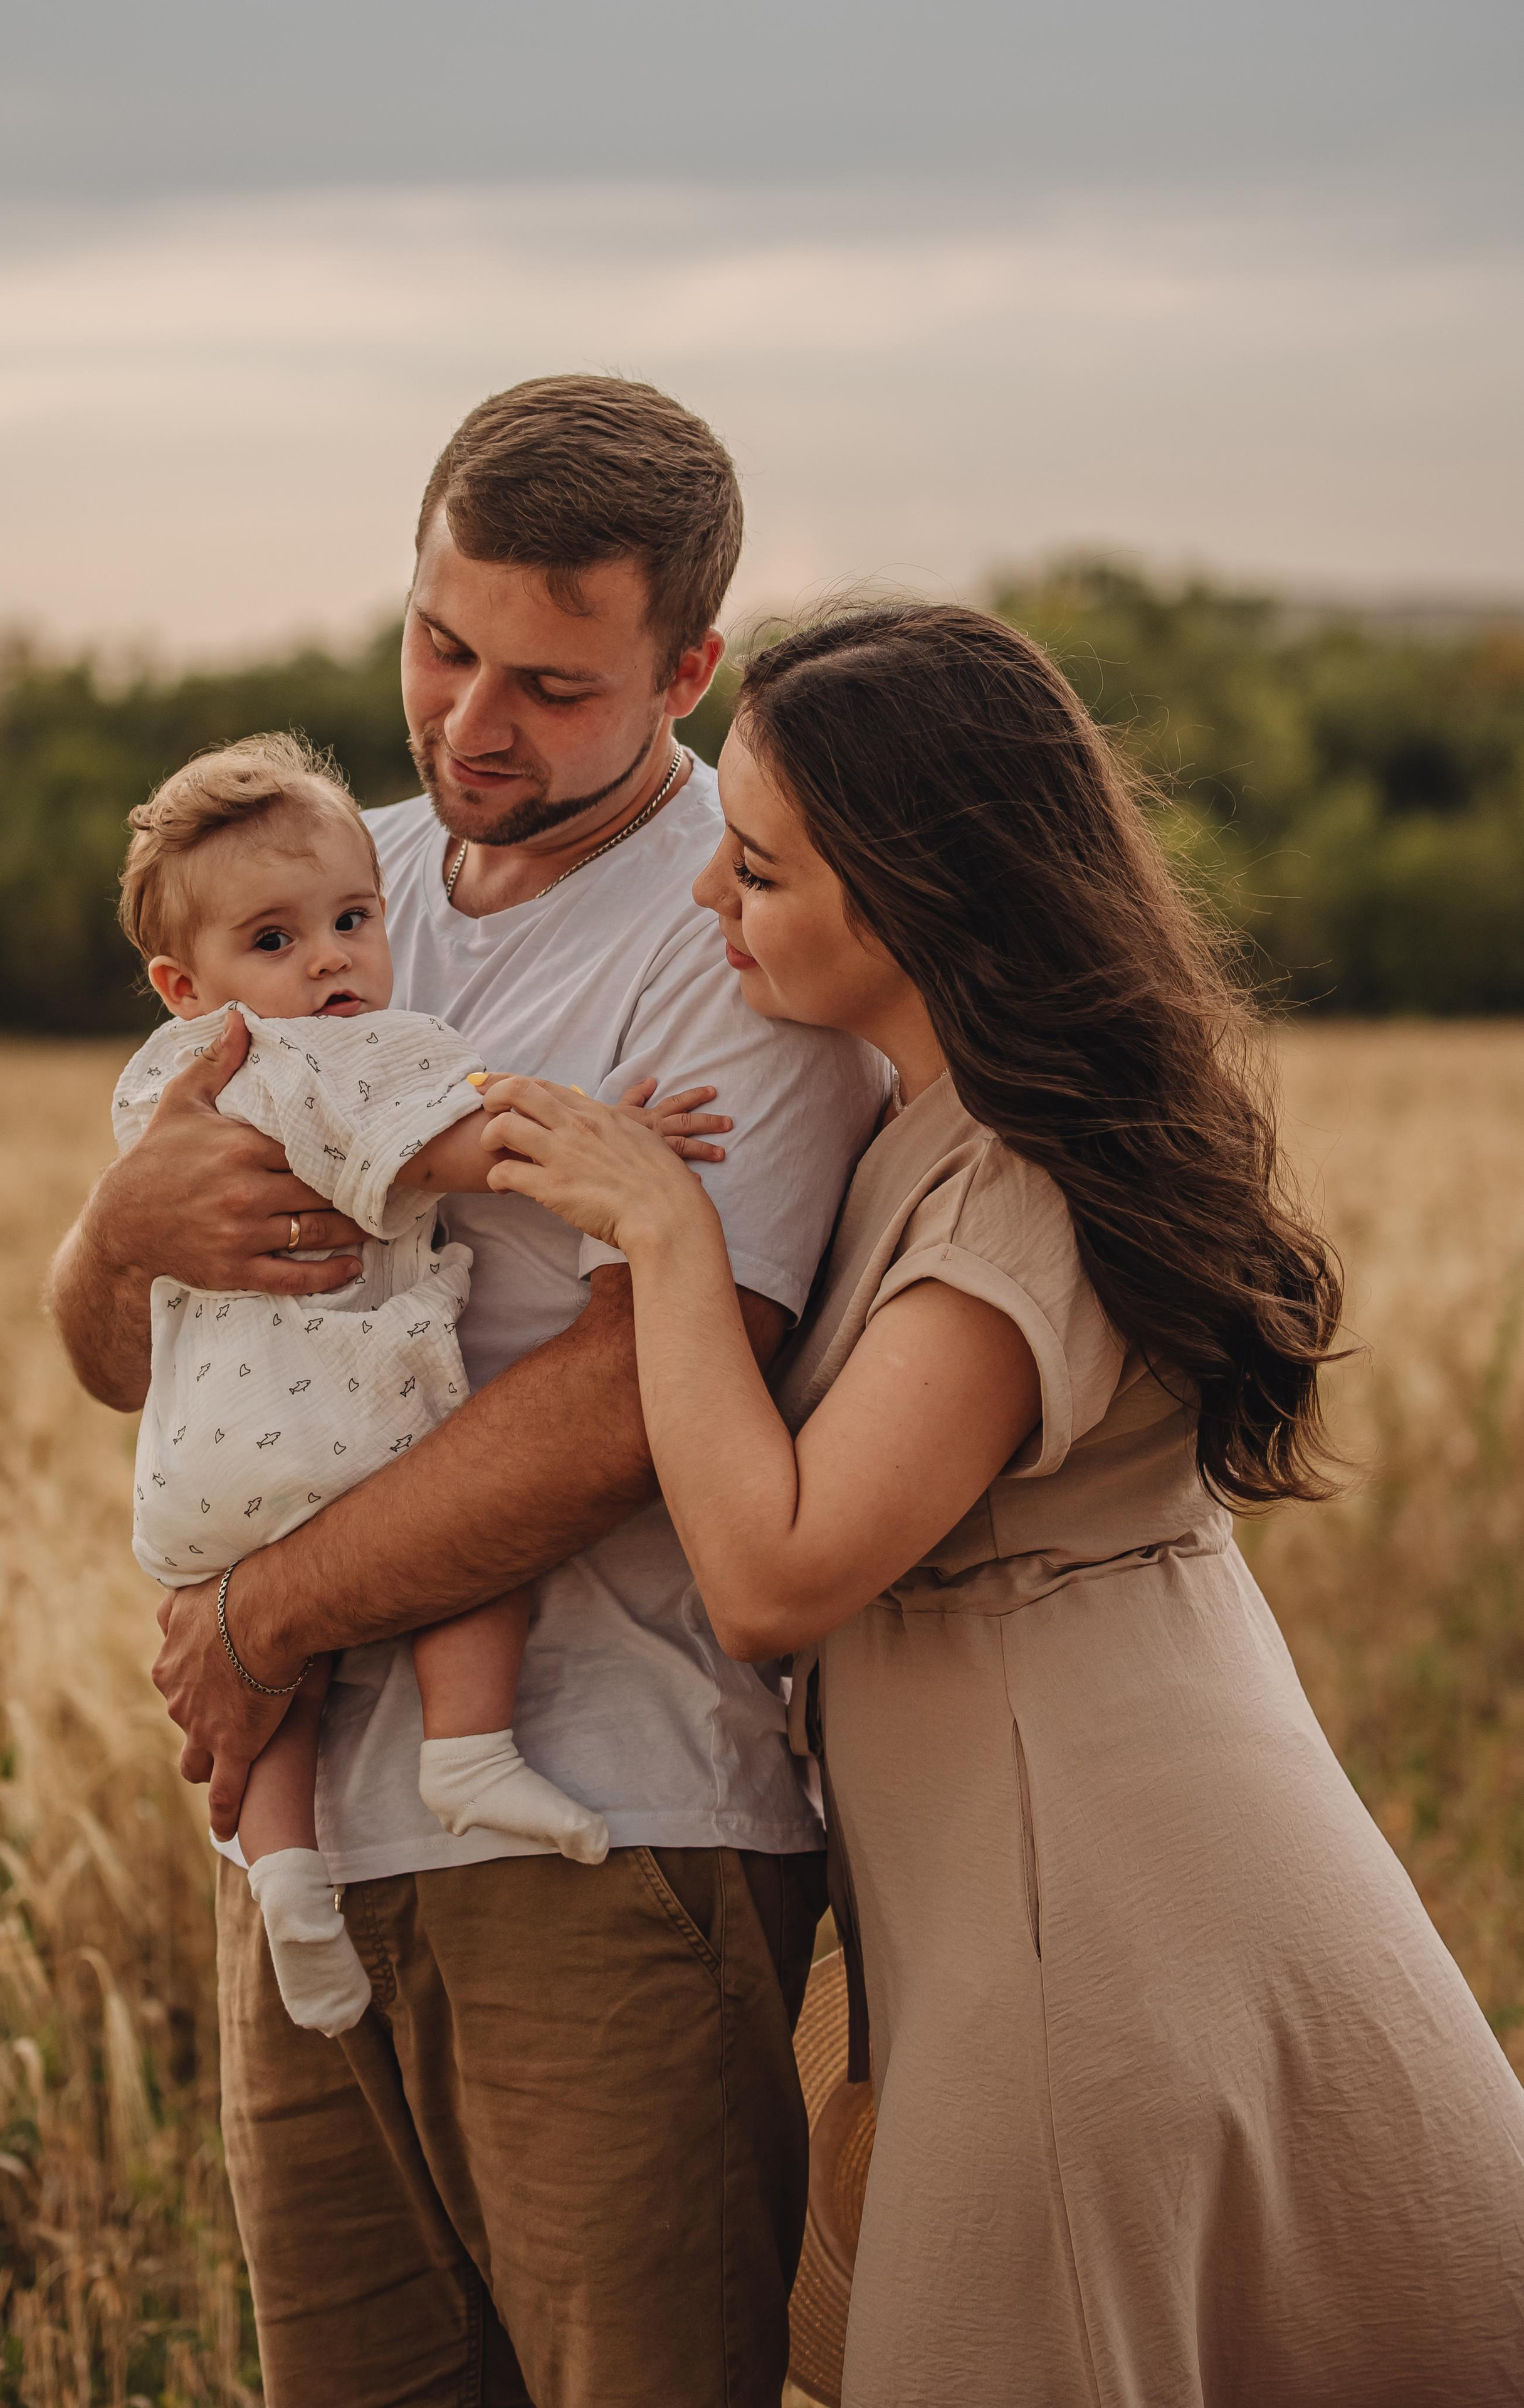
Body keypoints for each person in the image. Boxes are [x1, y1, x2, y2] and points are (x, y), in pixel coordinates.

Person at [477, 601, 1524, 2408]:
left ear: (914, 897)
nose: (711, 905)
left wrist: (657, 1223)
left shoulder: (1008, 1191)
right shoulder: (942, 1120)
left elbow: (780, 1573)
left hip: (1091, 1919)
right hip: (1090, 1862)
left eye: (758, 869)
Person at [50, 378, 888, 2408]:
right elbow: (132, 1353)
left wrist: (257, 1620)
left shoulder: (742, 936)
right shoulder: (333, 883)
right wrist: (108, 1238)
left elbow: (623, 1412)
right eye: (440, 645)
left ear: (687, 668)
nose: (468, 722)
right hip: (311, 1849)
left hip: (605, 1825)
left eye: (550, 680)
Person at [111, 731, 730, 2035]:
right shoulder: (318, 1056)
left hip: (194, 1487)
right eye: (275, 943)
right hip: (336, 1421)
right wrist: (613, 1136)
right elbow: (449, 1142)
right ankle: (471, 1750)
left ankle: (283, 1868)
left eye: (348, 920)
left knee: (280, 1687)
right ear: (187, 982)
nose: (330, 957)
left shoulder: (161, 1088)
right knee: (458, 1535)